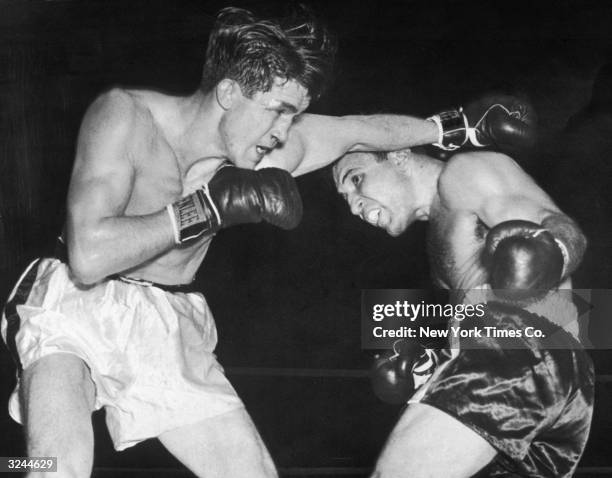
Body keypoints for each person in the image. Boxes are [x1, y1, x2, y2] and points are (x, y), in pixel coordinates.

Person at [0, 4, 536, 477]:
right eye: (279, 109)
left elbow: (355, 129)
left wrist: (451, 129)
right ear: (230, 93)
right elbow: (89, 257)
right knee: (52, 467)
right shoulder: (126, 115)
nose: (286, 130)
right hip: (74, 305)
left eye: (294, 114)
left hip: (169, 322)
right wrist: (206, 208)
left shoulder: (263, 149)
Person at [333, 146, 593, 477]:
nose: (354, 205)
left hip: (521, 349)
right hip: (542, 371)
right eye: (346, 198)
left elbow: (559, 230)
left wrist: (550, 252)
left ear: (399, 155)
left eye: (356, 179)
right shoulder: (444, 225)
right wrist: (430, 367)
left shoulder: (463, 172)